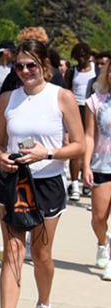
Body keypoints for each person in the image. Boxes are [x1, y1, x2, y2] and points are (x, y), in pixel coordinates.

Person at [0, 40, 84, 308]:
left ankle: (43, 304)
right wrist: (0, 157)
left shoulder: (62, 97)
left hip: (47, 182)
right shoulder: (7, 99)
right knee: (13, 252)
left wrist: (49, 152)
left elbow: (80, 145)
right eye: (19, 65)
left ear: (45, 65)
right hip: (14, 182)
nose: (25, 71)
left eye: (32, 65)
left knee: (41, 254)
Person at [83, 62, 111, 279]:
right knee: (98, 217)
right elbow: (89, 136)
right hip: (102, 165)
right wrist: (86, 164)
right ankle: (103, 242)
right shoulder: (96, 101)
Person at [64, 42, 96, 202]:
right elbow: (67, 89)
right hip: (75, 108)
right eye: (79, 57)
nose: (82, 60)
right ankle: (75, 183)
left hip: (91, 107)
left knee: (90, 145)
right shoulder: (72, 71)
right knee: (75, 147)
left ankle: (86, 179)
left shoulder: (95, 70)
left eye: (84, 56)